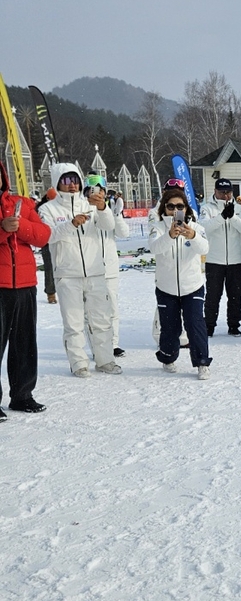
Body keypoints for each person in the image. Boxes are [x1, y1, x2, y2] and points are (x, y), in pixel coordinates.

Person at [39, 163, 120, 378]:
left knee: (101, 319)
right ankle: (78, 363)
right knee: (73, 322)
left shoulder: (91, 204)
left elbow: (109, 226)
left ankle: (105, 360)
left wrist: (102, 208)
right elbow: (48, 236)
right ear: (57, 183)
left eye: (75, 180)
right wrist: (71, 224)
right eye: (66, 181)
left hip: (95, 271)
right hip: (67, 274)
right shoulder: (48, 209)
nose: (72, 185)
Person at [0, 157, 51, 417]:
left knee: (24, 343)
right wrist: (2, 228)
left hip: (25, 283)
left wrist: (20, 227)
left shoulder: (22, 203)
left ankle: (22, 395)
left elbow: (43, 235)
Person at [148, 188, 212, 378]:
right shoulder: (158, 227)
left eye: (179, 206)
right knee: (170, 327)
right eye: (170, 206)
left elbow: (205, 248)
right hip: (166, 287)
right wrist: (169, 235)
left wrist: (192, 236)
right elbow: (153, 248)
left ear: (186, 208)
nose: (175, 210)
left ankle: (202, 362)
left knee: (195, 323)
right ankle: (168, 357)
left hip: (192, 285)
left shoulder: (196, 227)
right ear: (164, 208)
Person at [84, 172, 129, 357]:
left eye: (101, 191)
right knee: (92, 312)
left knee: (112, 309)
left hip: (109, 268)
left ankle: (113, 344)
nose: (98, 194)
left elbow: (123, 233)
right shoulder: (82, 208)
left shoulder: (109, 208)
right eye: (93, 191)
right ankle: (97, 347)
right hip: (89, 269)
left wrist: (116, 213)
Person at [199, 178, 241, 336]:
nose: (225, 196)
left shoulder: (239, 208)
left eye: (228, 192)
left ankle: (234, 325)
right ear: (215, 191)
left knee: (235, 295)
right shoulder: (207, 208)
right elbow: (205, 228)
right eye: (222, 192)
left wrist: (232, 217)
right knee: (213, 295)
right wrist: (221, 217)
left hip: (236, 259)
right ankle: (209, 325)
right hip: (214, 260)